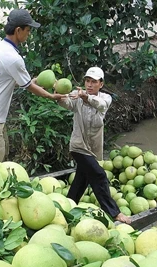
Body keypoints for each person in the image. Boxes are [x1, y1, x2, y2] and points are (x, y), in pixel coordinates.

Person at [0, 8, 65, 161]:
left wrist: (31, 81)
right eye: (28, 30)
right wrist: (51, 96)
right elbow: (28, 87)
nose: (29, 34)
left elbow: (3, 80)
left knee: (2, 155)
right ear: (18, 30)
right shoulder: (13, 58)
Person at [58, 67, 132, 224]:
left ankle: (68, 207)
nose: (89, 85)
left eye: (93, 82)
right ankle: (114, 213)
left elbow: (101, 105)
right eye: (87, 81)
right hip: (78, 145)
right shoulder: (77, 97)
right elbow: (65, 102)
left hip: (93, 147)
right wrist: (57, 92)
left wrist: (86, 97)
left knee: (82, 178)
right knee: (99, 175)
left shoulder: (105, 98)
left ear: (101, 84)